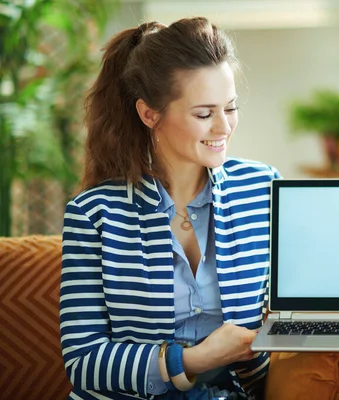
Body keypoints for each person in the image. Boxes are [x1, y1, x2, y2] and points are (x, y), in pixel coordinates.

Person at [59, 17, 278, 400]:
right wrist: (191, 360)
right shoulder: (95, 214)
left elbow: (290, 305)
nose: (224, 127)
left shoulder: (261, 190)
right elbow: (83, 359)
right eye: (204, 114)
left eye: (230, 107)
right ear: (150, 114)